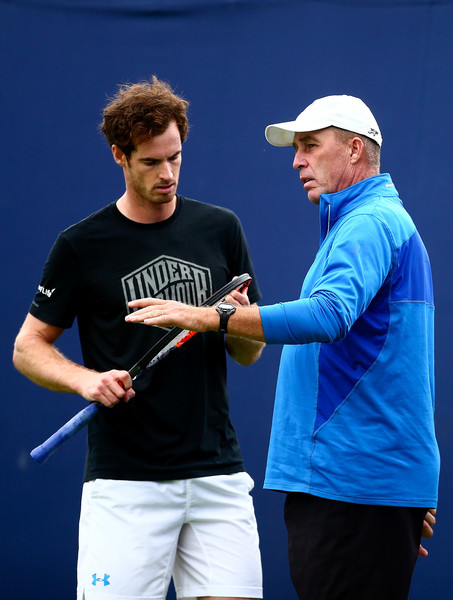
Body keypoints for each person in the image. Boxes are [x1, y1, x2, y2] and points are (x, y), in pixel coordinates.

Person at [124, 95, 440, 600]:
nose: (297, 161)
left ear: (355, 150)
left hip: (349, 484)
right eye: (297, 149)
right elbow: (395, 361)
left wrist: (210, 316)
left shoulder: (370, 223)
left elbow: (326, 315)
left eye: (311, 146)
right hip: (363, 485)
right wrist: (398, 486)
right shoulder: (371, 222)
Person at [13, 77, 265, 600]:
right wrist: (85, 381)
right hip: (125, 485)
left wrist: (231, 323)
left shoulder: (221, 228)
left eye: (175, 157)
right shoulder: (82, 245)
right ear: (119, 156)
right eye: (151, 162)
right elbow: (28, 347)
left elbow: (249, 353)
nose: (168, 173)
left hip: (217, 475)